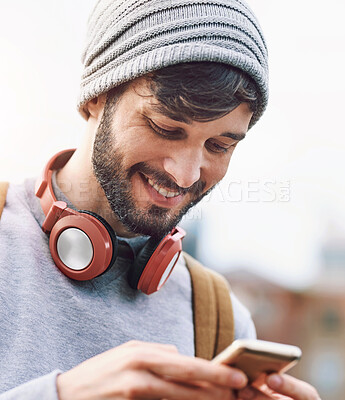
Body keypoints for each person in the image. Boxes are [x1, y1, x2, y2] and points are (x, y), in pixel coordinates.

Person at [0, 0, 321, 399]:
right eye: (165, 128)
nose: (185, 174)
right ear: (96, 97)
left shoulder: (220, 320)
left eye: (219, 146)